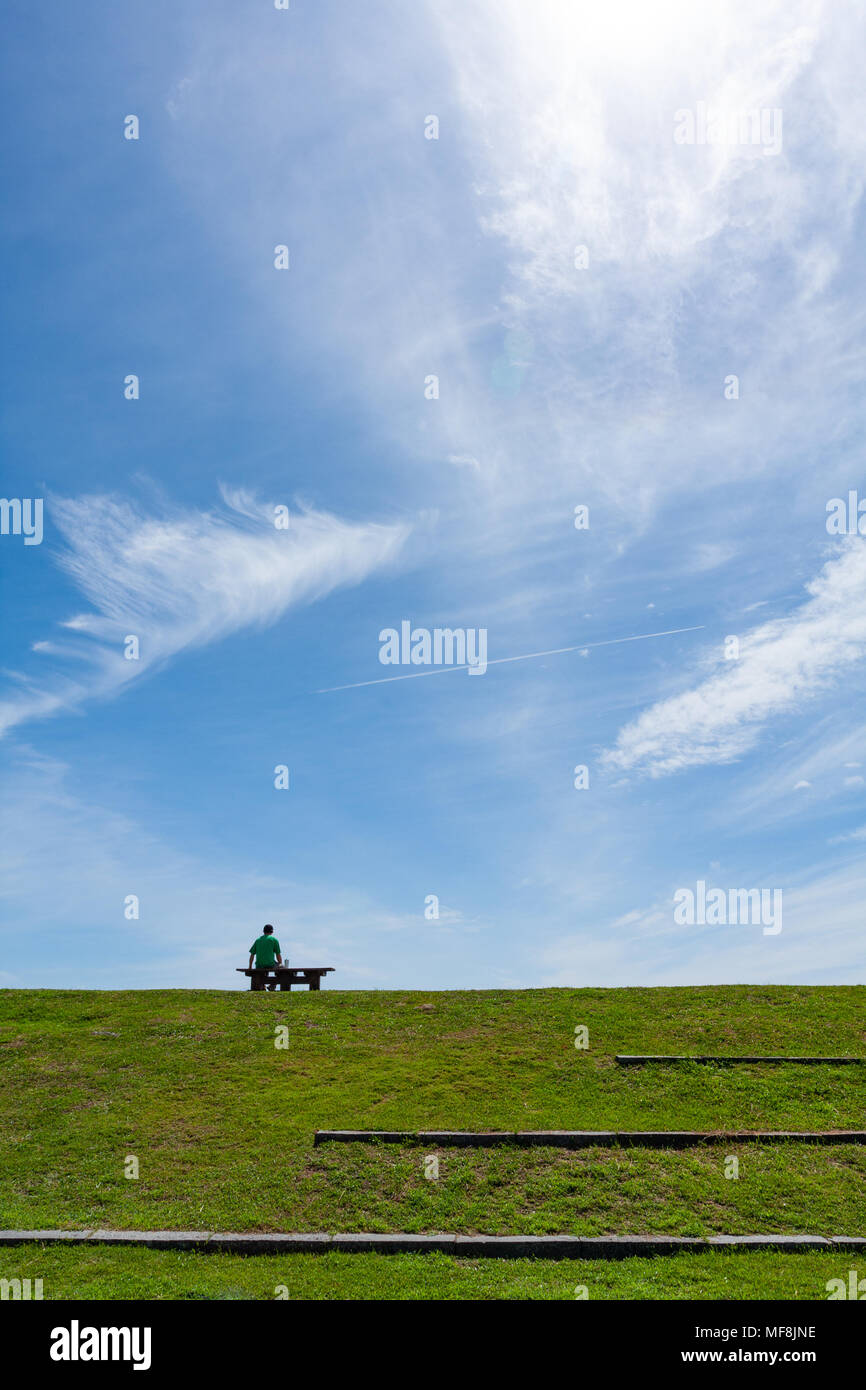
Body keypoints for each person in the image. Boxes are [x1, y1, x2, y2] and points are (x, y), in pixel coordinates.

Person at [248, 924, 283, 991]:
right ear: (272, 932)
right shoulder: (274, 940)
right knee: (282, 970)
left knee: (262, 971)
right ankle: (272, 985)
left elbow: (252, 954)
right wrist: (280, 964)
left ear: (263, 931)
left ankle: (262, 986)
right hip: (270, 964)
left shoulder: (258, 940)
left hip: (259, 965)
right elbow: (278, 954)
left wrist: (250, 966)